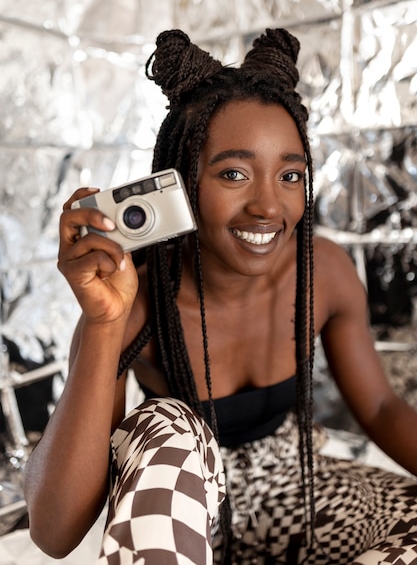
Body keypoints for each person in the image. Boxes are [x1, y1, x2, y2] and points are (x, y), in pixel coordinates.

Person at [24, 28, 417, 565]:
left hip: (294, 486)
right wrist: (102, 323)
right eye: (233, 173)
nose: (268, 206)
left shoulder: (322, 271)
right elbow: (53, 531)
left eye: (290, 175)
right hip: (184, 508)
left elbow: (378, 405)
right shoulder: (138, 297)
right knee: (162, 425)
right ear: (182, 181)